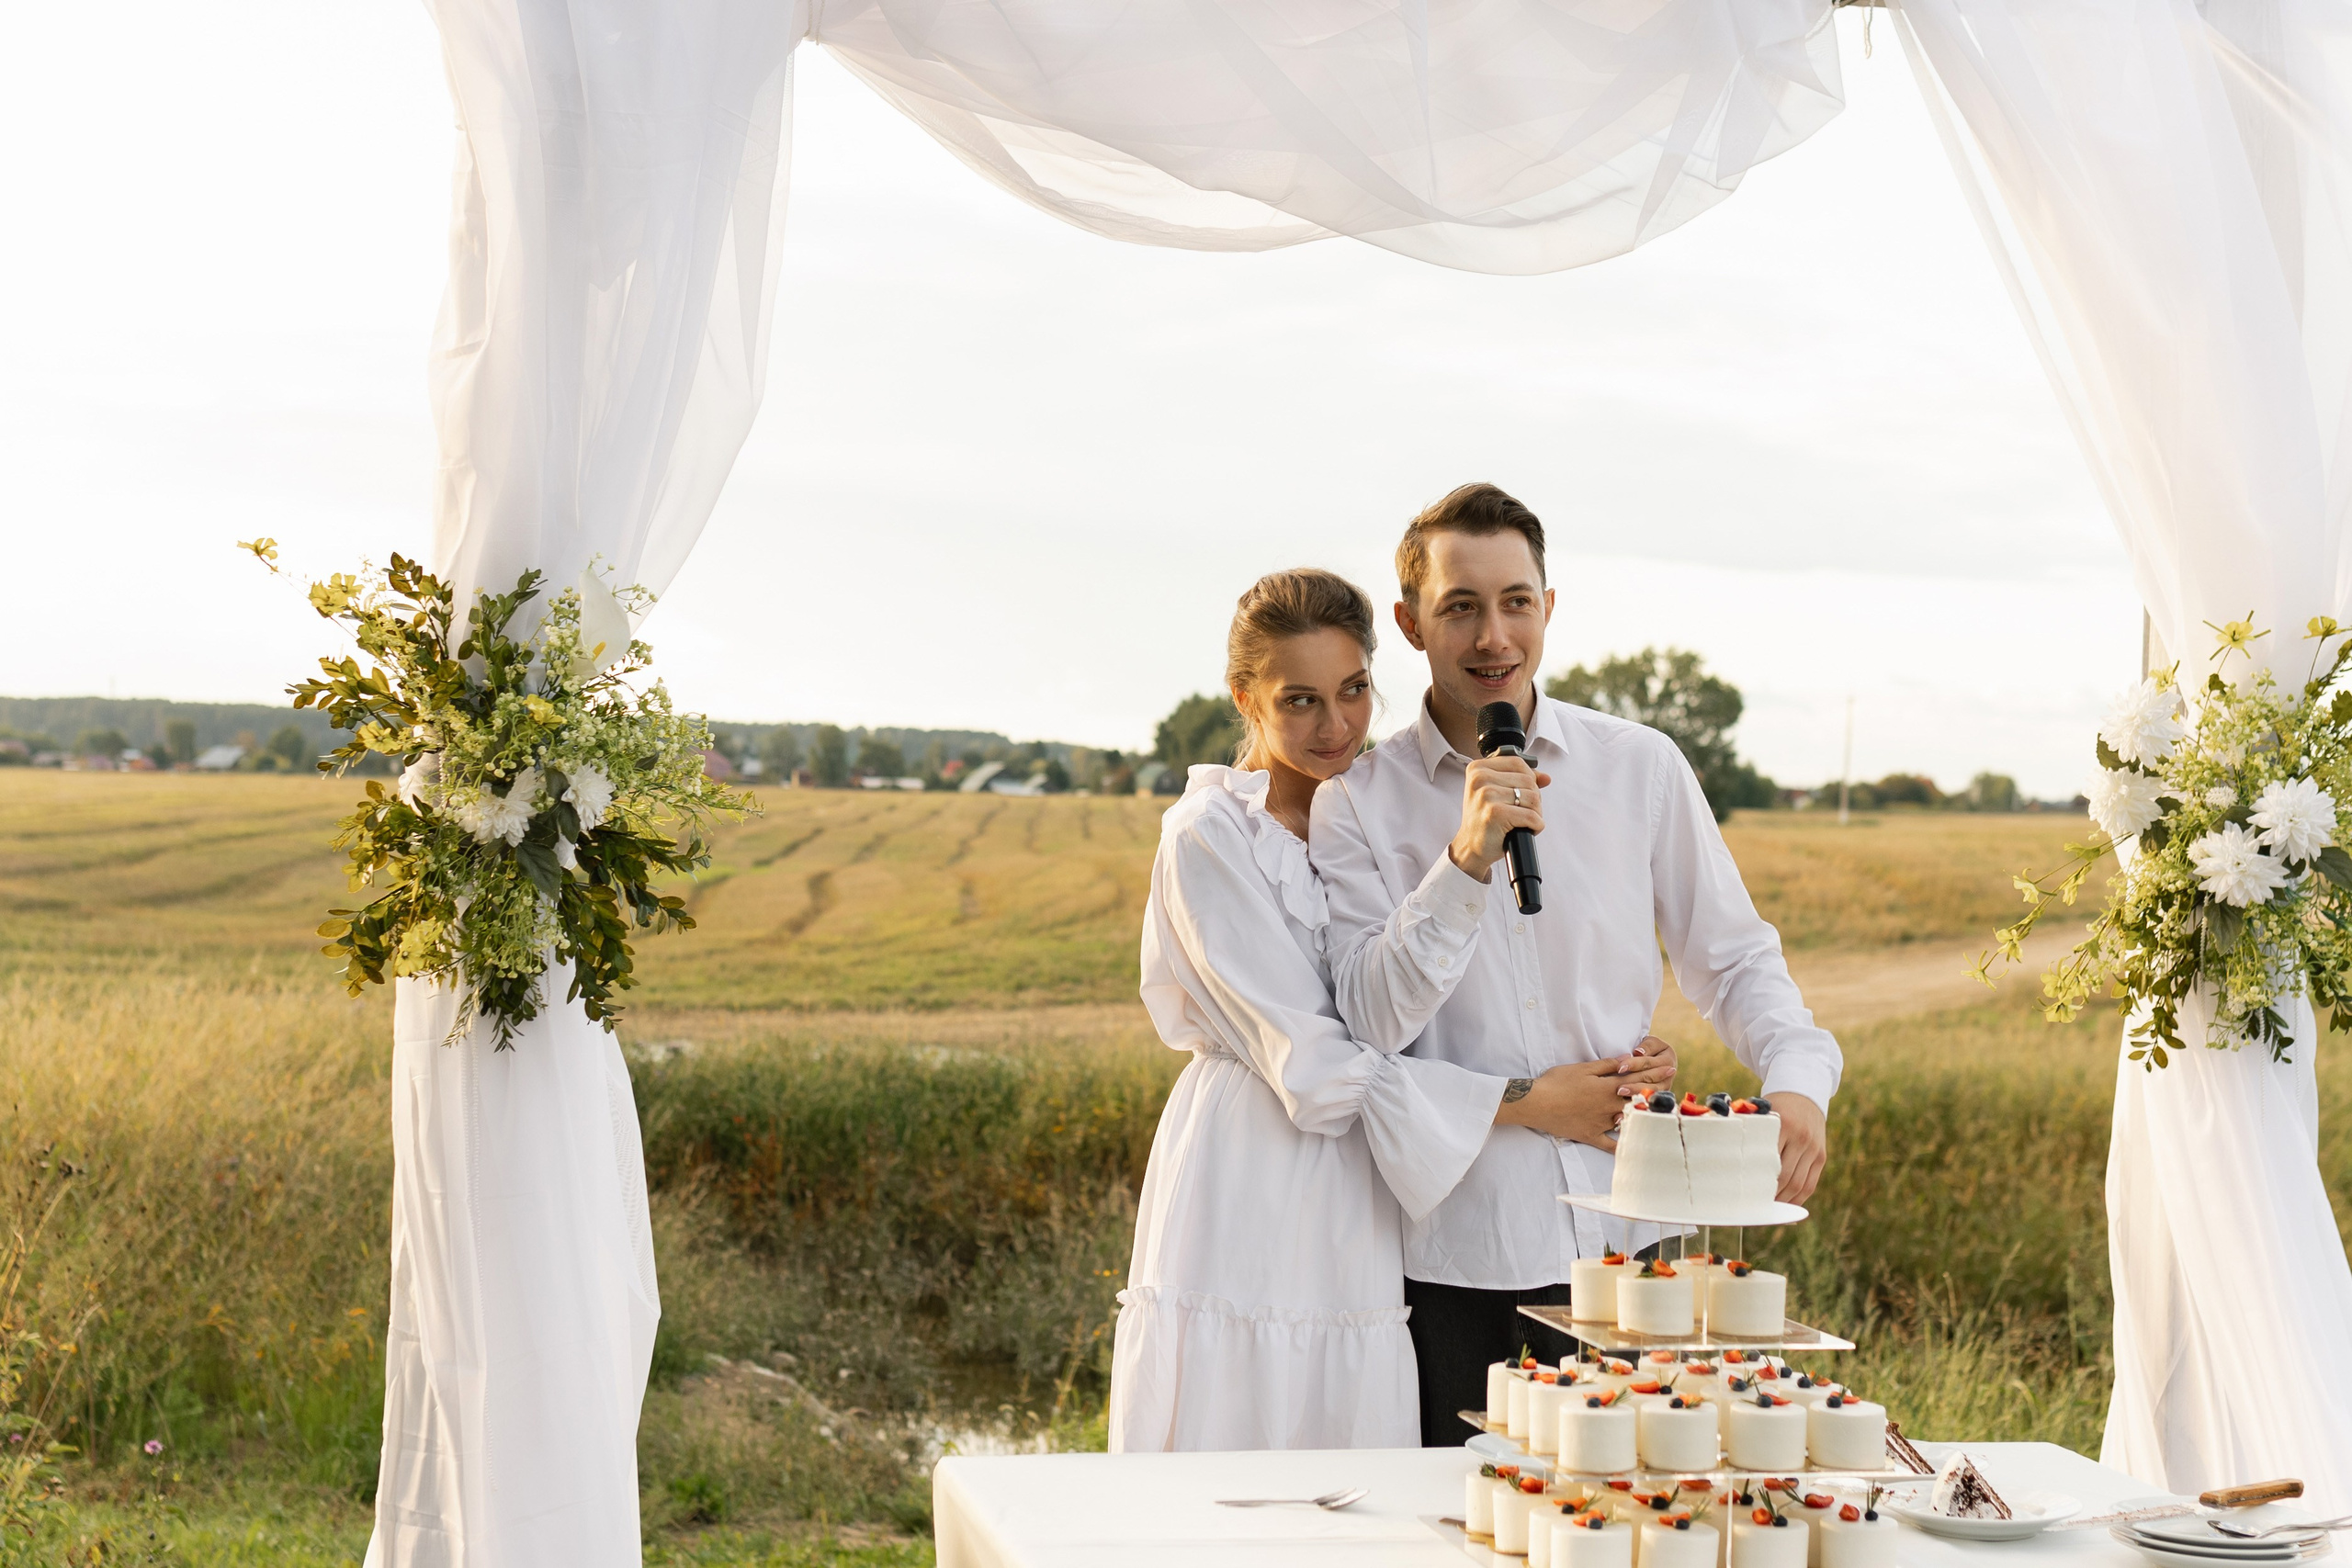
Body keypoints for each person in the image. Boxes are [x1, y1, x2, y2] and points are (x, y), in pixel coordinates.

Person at [1307, 483, 1844, 1448]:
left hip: (1637, 1247)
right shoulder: (1357, 802)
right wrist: (1464, 861)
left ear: (1548, 607)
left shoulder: (1638, 766)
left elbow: (1732, 958)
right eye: (1459, 606)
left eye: (1516, 601)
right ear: (1410, 624)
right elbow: (1366, 1027)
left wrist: (1798, 1081)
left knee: (1647, 1523)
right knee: (1469, 1530)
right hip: (1458, 1259)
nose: (1492, 636)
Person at [1108, 568, 1678, 1453]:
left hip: (1374, 1183)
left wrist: (1615, 1048)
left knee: (1356, 1433)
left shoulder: (1370, 805)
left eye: (1353, 691)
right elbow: (1317, 1069)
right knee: (1249, 1410)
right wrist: (1528, 1101)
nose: (1335, 726)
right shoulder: (1208, 836)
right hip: (1255, 1163)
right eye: (1299, 700)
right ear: (1243, 697)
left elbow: (1455, 987)